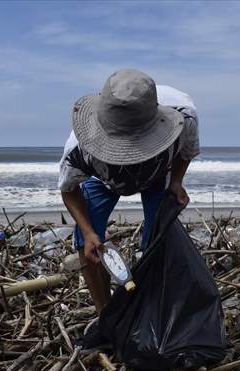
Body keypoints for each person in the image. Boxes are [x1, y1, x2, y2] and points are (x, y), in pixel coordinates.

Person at [58, 69, 200, 314]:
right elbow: (69, 190)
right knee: (87, 244)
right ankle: (106, 316)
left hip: (157, 175)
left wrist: (176, 182)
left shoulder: (183, 117)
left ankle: (148, 309)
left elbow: (185, 152)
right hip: (104, 180)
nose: (128, 157)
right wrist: (90, 232)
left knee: (156, 242)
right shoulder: (80, 149)